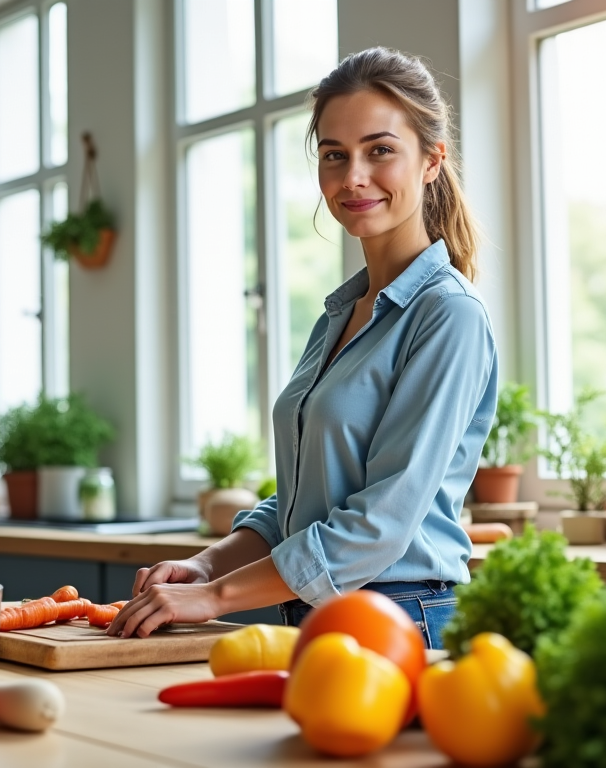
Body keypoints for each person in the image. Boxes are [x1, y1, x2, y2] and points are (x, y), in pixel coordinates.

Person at [107, 47, 498, 649]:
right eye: (334, 156)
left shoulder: (448, 315)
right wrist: (208, 566)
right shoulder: (342, 314)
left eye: (381, 150)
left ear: (431, 161)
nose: (353, 177)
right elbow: (306, 501)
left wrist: (212, 598)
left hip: (402, 621)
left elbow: (379, 524)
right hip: (320, 617)